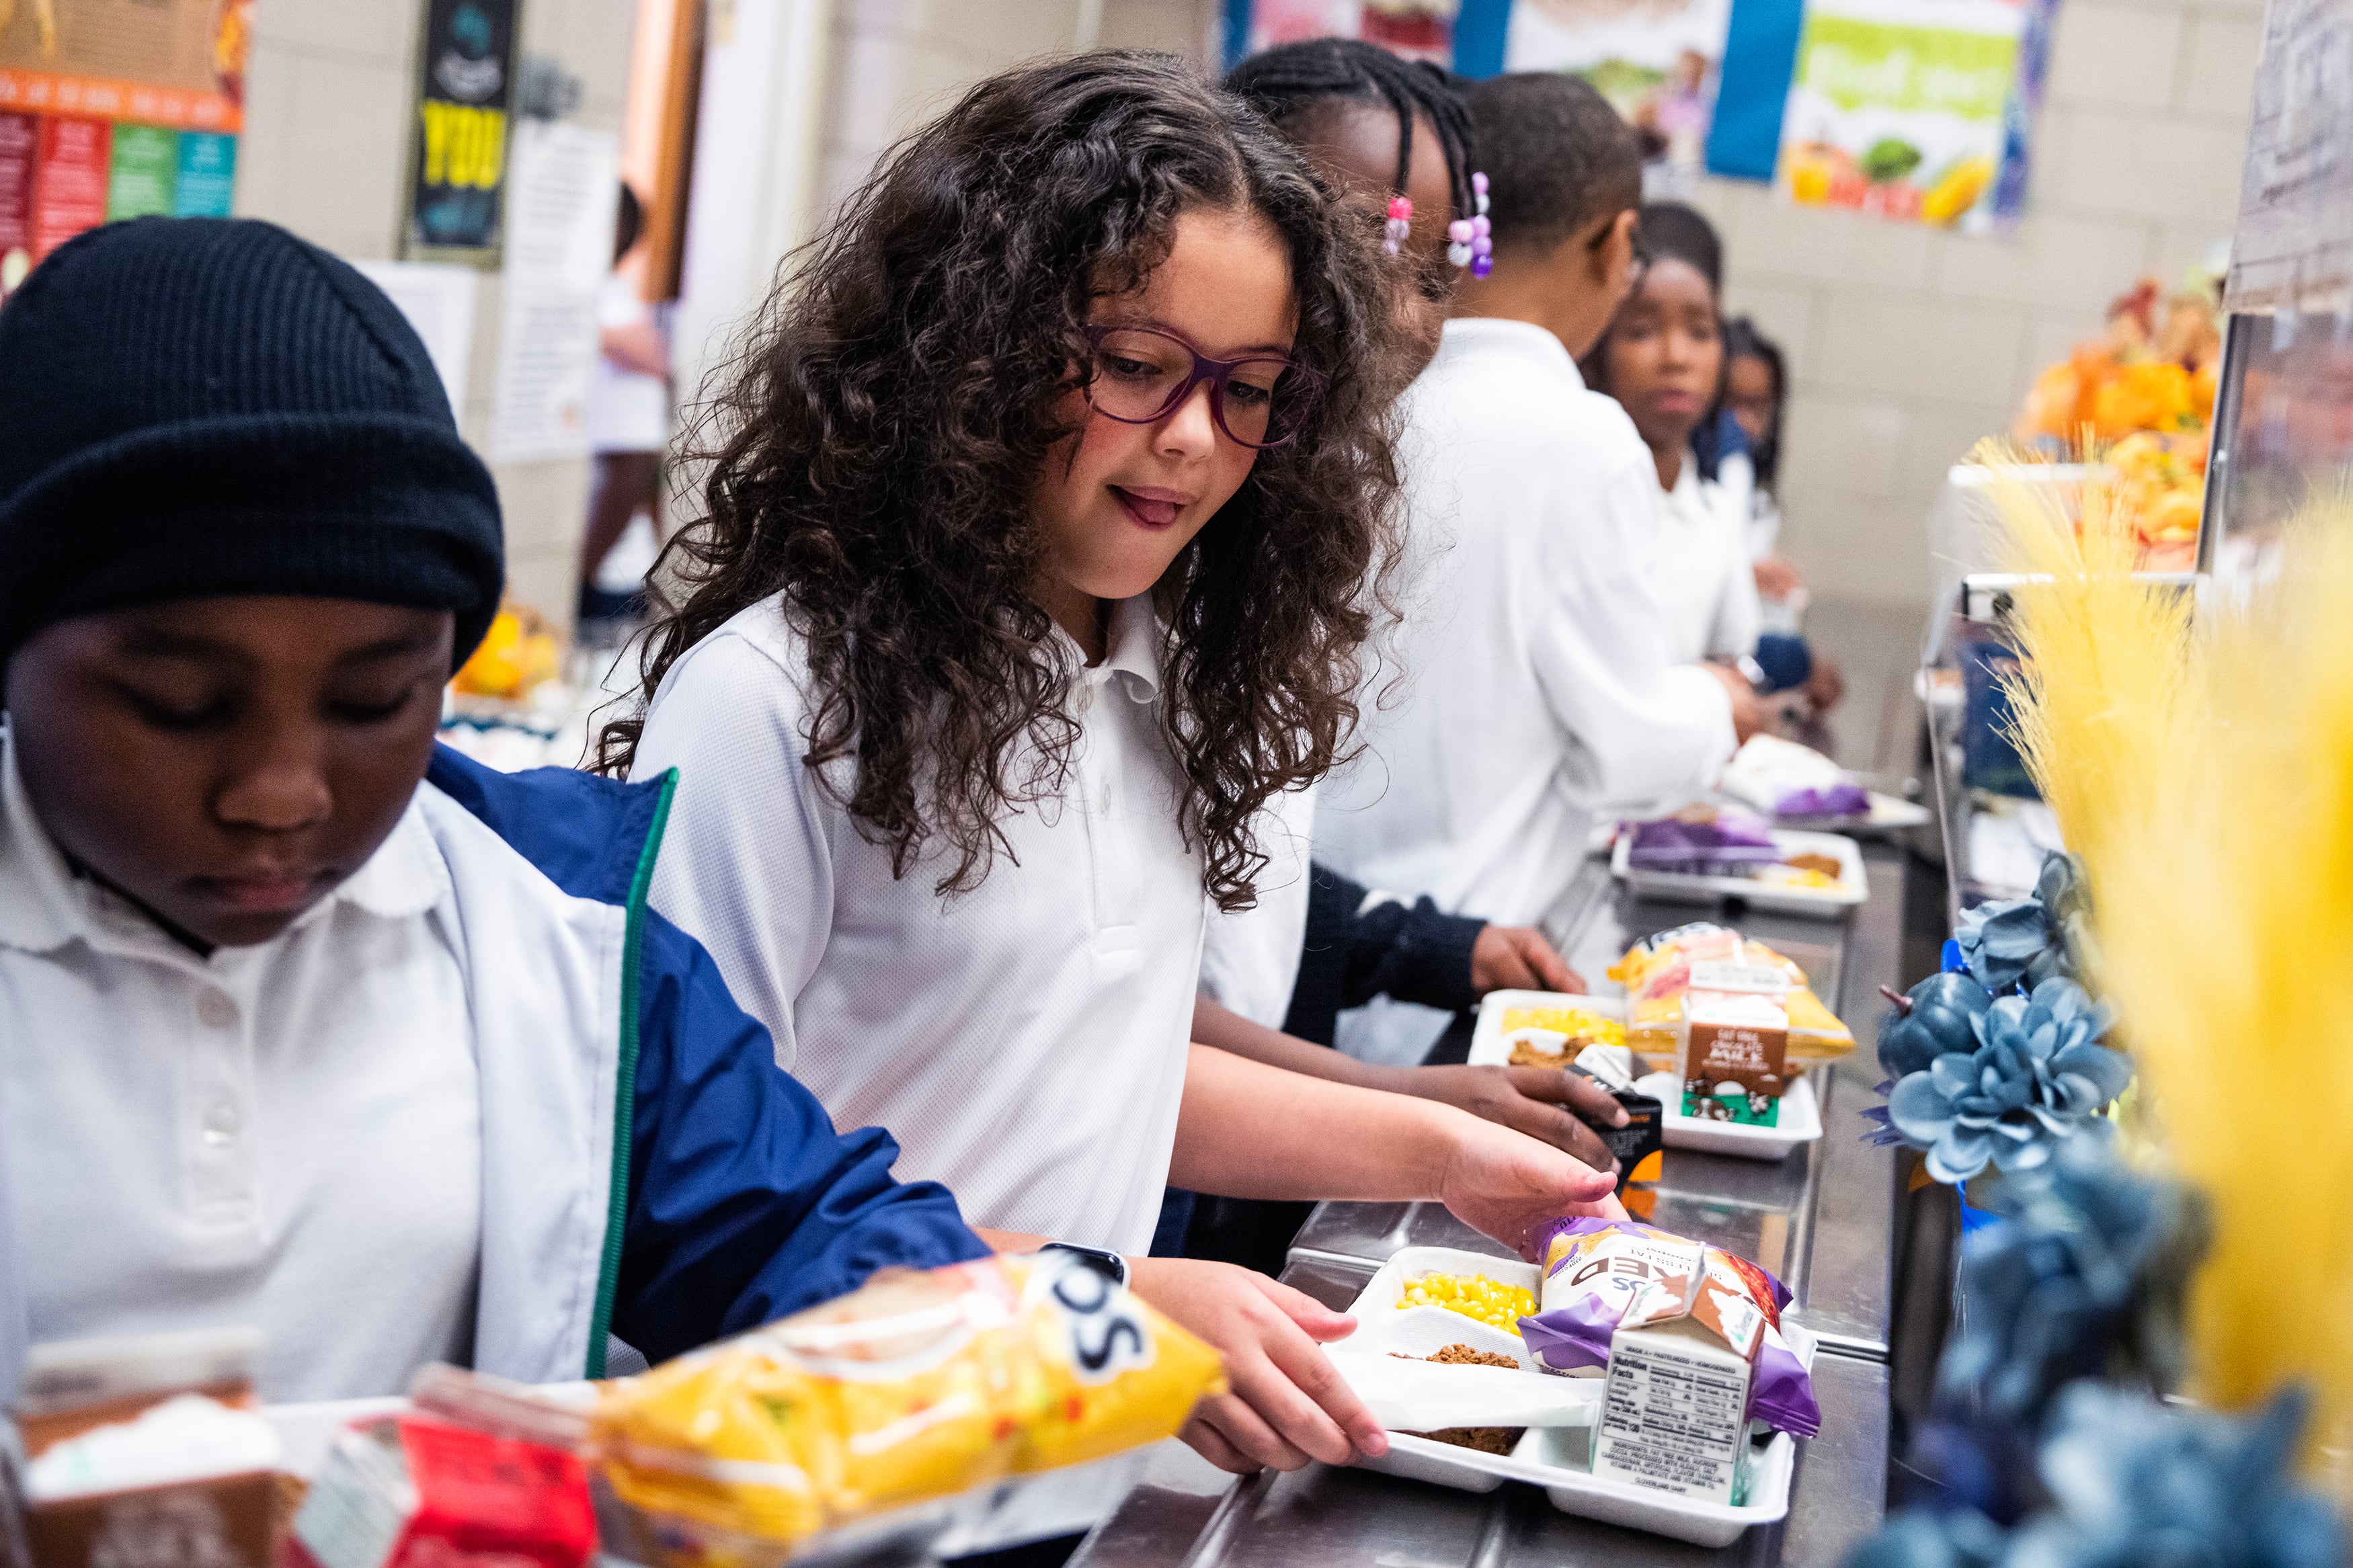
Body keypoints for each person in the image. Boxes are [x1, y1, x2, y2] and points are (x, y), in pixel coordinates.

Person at [601, 53, 1620, 1483]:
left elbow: (1103, 1067)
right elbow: (679, 1188)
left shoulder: (1158, 678)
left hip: (1066, 1478)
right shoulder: (771, 701)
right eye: (1137, 369)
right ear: (976, 353)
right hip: (816, 1479)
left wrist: (1444, 1156)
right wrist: (1102, 1298)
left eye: (1251, 388)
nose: (1195, 439)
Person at [0, 217, 992, 1405]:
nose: (279, 791)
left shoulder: (550, 936)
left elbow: (814, 1237)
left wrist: (690, 1443)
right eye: (178, 703)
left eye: (373, 699)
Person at [1315, 73, 1763, 1068]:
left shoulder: (1357, 391)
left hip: (1308, 952)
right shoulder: (1580, 437)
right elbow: (1628, 752)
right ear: (1617, 246)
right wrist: (1717, 701)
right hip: (1456, 978)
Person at [1581, 201, 1762, 672]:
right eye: (1641, 331)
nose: (1677, 357)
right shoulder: (1574, 497)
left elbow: (1733, 656)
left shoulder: (1714, 516)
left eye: (1701, 332)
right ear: (1600, 346)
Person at [580, 183, 670, 628]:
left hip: (605, 578)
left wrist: (581, 573)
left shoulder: (617, 326)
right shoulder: (606, 318)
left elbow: (632, 466)